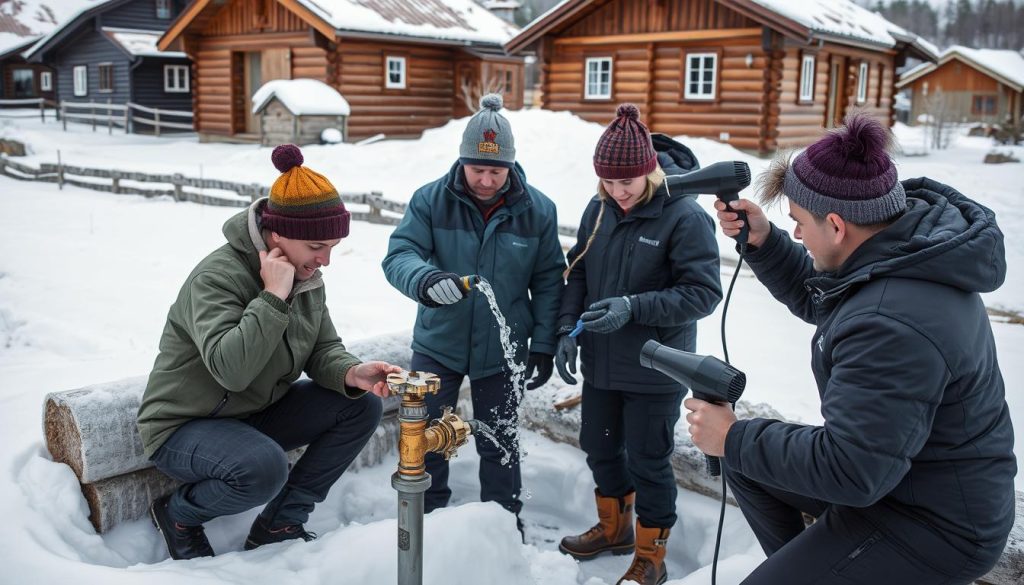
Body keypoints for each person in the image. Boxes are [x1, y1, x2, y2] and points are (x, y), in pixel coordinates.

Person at [688, 113, 1016, 584]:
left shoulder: (892, 322)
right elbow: (829, 298)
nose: (797, 234)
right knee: (747, 465)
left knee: (739, 447)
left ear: (838, 226)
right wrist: (764, 242)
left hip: (935, 523)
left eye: (799, 223)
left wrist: (732, 436)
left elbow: (850, 471)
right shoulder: (901, 251)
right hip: (897, 477)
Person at [137, 144, 400, 560]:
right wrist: (273, 296)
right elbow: (231, 371)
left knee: (359, 406)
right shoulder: (217, 277)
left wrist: (352, 373)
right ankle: (179, 514)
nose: (325, 260)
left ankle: (281, 521)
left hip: (252, 416)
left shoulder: (306, 274)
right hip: (185, 426)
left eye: (331, 246)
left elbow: (323, 347)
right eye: (317, 245)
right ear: (277, 235)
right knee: (264, 467)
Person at [554, 103, 723, 585]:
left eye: (626, 182)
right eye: (608, 182)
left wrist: (633, 306)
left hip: (657, 366)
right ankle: (615, 529)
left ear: (650, 170)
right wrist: (567, 328)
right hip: (602, 363)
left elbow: (702, 293)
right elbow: (578, 271)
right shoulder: (599, 207)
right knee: (599, 447)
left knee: (648, 459)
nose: (618, 192)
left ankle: (652, 554)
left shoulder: (685, 217)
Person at [381, 94, 565, 535]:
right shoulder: (430, 200)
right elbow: (400, 255)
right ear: (461, 161)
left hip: (501, 350)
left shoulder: (537, 210)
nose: (485, 180)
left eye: (495, 171)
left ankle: (502, 525)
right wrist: (424, 279)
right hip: (437, 344)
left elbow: (548, 280)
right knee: (424, 437)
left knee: (500, 440)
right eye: (477, 168)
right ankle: (424, 519)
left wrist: (542, 344)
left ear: (511, 166)